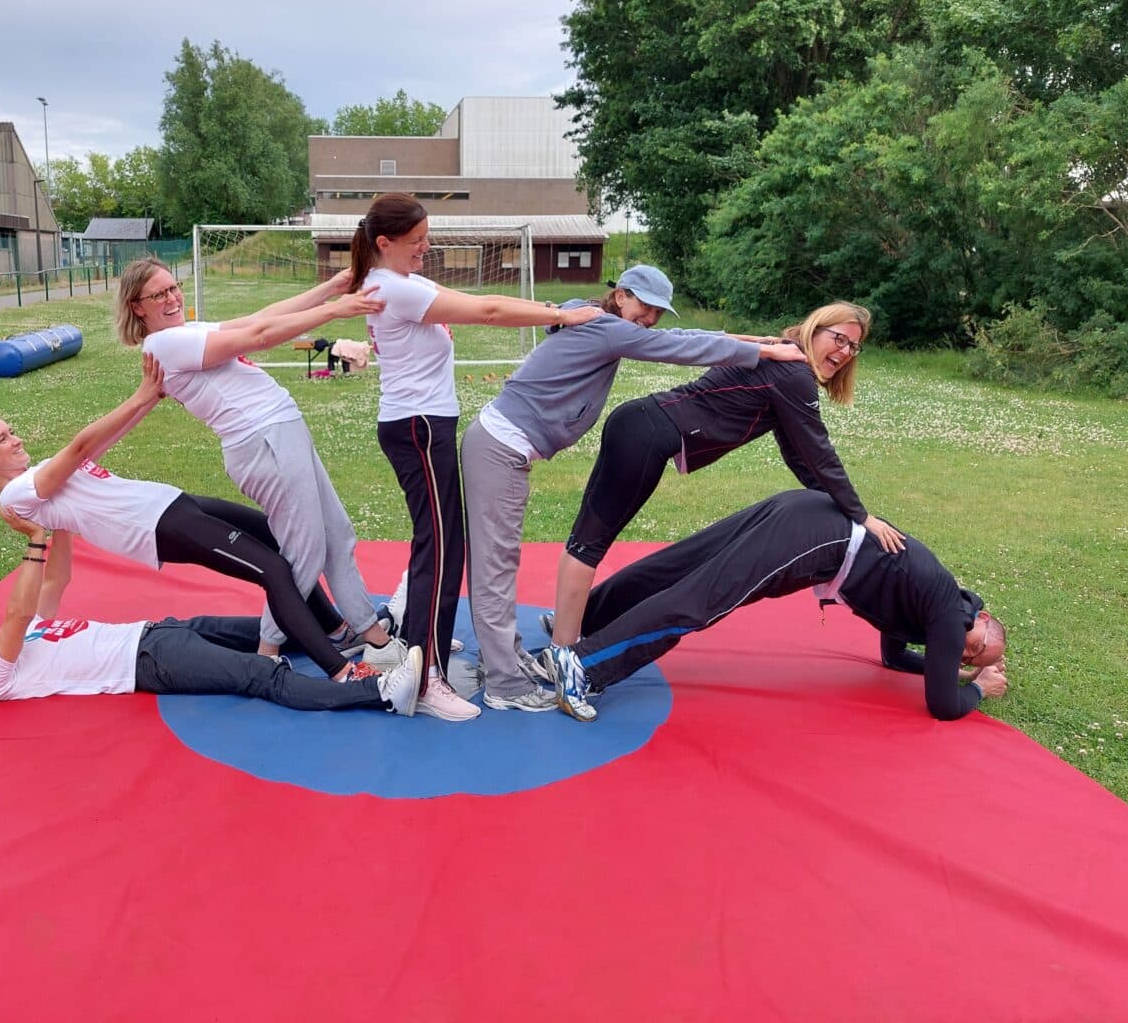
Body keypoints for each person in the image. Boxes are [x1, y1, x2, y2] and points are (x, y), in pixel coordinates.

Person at [460, 264, 808, 712]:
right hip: (500, 447)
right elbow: (680, 348)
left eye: (658, 311)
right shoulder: (606, 328)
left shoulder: (596, 317)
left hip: (503, 445)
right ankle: (504, 683)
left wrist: (757, 341)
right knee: (496, 565)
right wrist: (763, 353)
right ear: (621, 295)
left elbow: (683, 336)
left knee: (500, 560)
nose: (651, 318)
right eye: (645, 306)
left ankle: (506, 658)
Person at [0, 356, 376, 684]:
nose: (16, 439)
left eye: (11, 431)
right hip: (157, 527)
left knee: (277, 536)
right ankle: (340, 670)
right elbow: (79, 449)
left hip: (172, 503)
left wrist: (151, 399)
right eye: (3, 439)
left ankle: (336, 629)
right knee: (273, 569)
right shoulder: (16, 495)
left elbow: (98, 446)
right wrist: (140, 395)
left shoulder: (35, 476)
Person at [348, 192, 601, 721]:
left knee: (444, 547)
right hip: (417, 428)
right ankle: (425, 679)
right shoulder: (394, 287)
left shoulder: (402, 281)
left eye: (427, 238)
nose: (426, 248)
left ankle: (426, 646)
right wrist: (561, 314)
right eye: (416, 241)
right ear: (385, 243)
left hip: (425, 425)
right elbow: (487, 311)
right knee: (439, 551)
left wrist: (553, 313)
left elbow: (475, 300)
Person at [550, 300, 907, 653]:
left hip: (638, 425)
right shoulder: (793, 373)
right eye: (839, 339)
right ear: (816, 328)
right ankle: (564, 649)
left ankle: (567, 621)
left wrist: (836, 505)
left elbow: (799, 454)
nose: (845, 352)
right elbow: (820, 454)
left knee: (585, 539)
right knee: (589, 544)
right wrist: (861, 516)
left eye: (853, 347)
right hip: (646, 435)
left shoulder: (784, 361)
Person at [114, 259, 404, 671]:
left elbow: (259, 318)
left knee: (337, 533)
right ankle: (267, 653)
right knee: (304, 550)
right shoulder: (163, 344)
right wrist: (334, 311)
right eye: (158, 294)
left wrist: (330, 288)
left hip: (280, 431)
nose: (173, 297)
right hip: (263, 442)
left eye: (173, 287)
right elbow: (261, 335)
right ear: (137, 306)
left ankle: (369, 632)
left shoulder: (184, 331)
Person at [541, 488, 1009, 722]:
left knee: (685, 565)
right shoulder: (950, 614)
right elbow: (943, 707)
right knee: (700, 600)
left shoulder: (934, 606)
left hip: (806, 512)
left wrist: (954, 670)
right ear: (982, 618)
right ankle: (582, 666)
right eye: (976, 647)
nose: (965, 653)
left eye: (970, 659)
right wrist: (979, 689)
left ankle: (582, 619)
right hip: (820, 538)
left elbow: (893, 656)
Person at [0, 511, 423, 716]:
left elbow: (55, 581)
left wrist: (55, 517)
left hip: (162, 632)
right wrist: (36, 539)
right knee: (262, 675)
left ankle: (368, 633)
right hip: (150, 662)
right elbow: (17, 615)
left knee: (283, 627)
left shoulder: (21, 636)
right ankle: (380, 693)